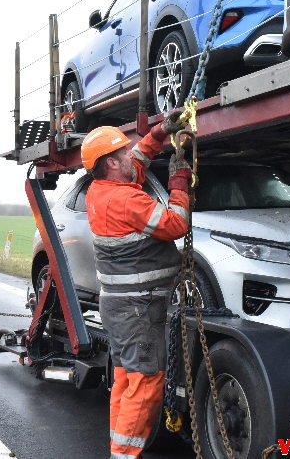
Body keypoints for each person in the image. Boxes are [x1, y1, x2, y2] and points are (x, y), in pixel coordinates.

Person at [80, 114, 192, 459]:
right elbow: (176, 225)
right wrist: (179, 180)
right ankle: (124, 455)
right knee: (144, 383)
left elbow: (139, 164)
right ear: (112, 163)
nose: (133, 156)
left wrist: (159, 133)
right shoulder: (126, 201)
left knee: (127, 380)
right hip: (136, 311)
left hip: (121, 308)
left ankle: (120, 450)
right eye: (125, 153)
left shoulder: (104, 190)